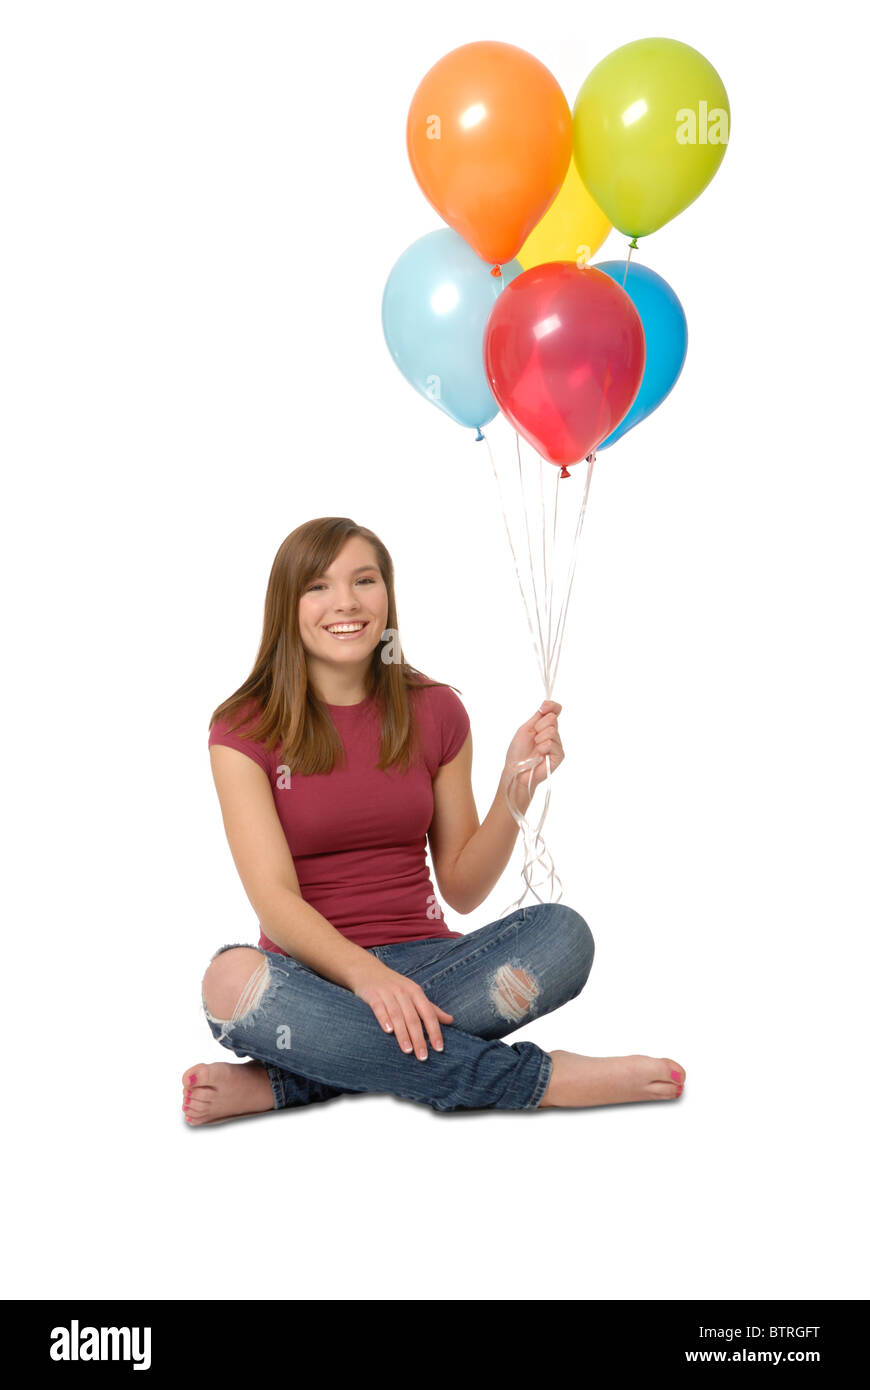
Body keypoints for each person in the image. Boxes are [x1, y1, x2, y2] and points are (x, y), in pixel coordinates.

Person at [182, 517, 685, 1123]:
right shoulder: (242, 727)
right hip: (310, 978)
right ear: (287, 606)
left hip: (435, 972)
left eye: (363, 581)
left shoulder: (436, 710)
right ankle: (537, 1080)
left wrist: (513, 786)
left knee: (564, 934)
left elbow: (462, 888)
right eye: (317, 587)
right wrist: (369, 978)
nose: (345, 603)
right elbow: (273, 900)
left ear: (387, 595)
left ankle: (293, 1082)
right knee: (230, 980)